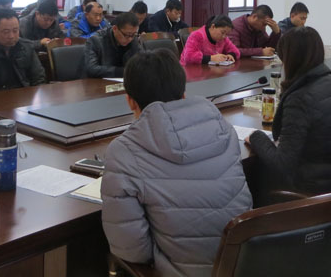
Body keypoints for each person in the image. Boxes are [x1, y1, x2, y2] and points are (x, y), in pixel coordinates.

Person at [101, 49, 252, 276]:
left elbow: (133, 251)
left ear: (129, 101)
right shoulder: (223, 129)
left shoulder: (123, 151)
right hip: (243, 266)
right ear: (183, 94)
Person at [246, 26, 331, 196]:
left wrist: (255, 137)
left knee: (254, 178)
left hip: (317, 196)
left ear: (290, 59)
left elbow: (282, 164)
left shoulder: (300, 98)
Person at [80, 12, 141, 78]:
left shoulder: (133, 39)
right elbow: (91, 69)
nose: (130, 39)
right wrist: (120, 71)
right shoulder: (95, 41)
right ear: (115, 29)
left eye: (134, 34)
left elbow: (141, 62)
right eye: (127, 35)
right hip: (97, 82)